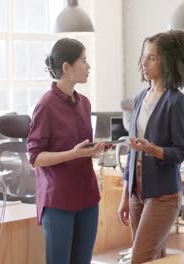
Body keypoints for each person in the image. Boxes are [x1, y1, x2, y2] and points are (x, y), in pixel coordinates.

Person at [27, 38, 109, 264]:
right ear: (66, 67)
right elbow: (35, 157)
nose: (88, 66)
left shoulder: (84, 103)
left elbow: (83, 147)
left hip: (87, 196)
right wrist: (73, 154)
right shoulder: (46, 105)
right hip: (59, 200)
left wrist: (94, 150)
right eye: (83, 61)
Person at [117, 30, 184, 264]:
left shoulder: (178, 102)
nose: (144, 62)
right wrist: (125, 194)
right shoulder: (141, 97)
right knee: (155, 259)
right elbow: (133, 152)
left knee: (139, 259)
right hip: (137, 190)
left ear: (167, 62)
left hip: (163, 193)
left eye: (151, 57)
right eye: (144, 57)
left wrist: (152, 149)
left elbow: (180, 152)